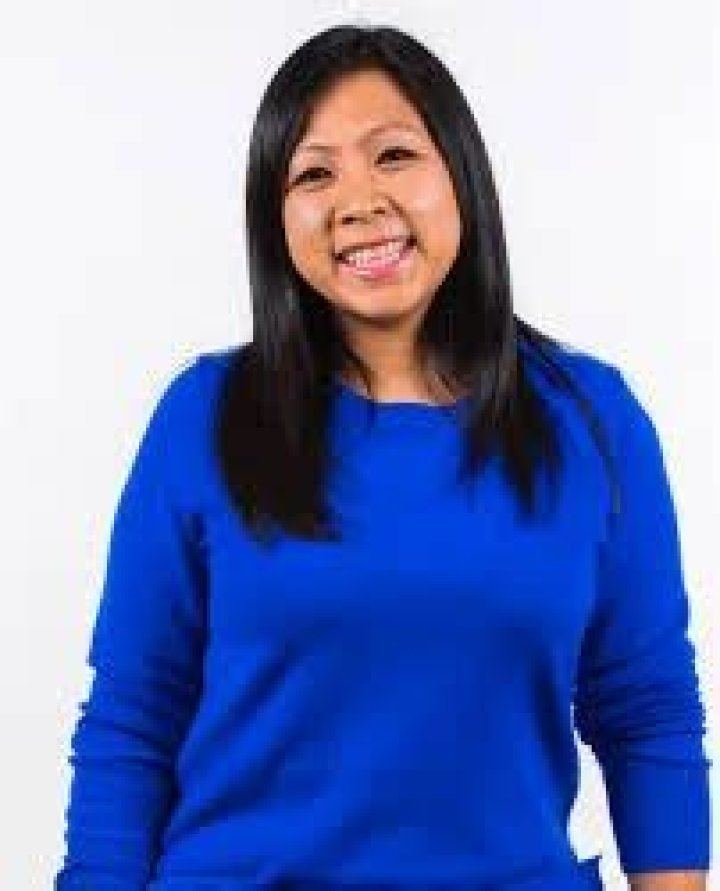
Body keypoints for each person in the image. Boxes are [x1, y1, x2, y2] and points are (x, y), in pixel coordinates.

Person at [55, 24, 711, 890]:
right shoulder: (205, 418)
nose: (358, 200)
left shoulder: (592, 421)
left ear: (460, 173)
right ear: (275, 217)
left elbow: (646, 711)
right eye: (313, 174)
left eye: (393, 155)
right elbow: (133, 719)